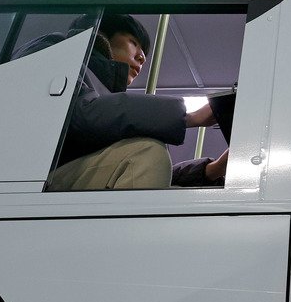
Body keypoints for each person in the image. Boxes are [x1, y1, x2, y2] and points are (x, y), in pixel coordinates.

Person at [19, 13, 228, 190]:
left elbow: (147, 174)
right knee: (147, 152)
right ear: (101, 36)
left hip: (61, 178)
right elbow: (77, 115)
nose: (142, 58)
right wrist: (188, 117)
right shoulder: (55, 49)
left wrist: (214, 169)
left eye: (145, 55)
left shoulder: (109, 102)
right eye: (134, 43)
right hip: (29, 182)